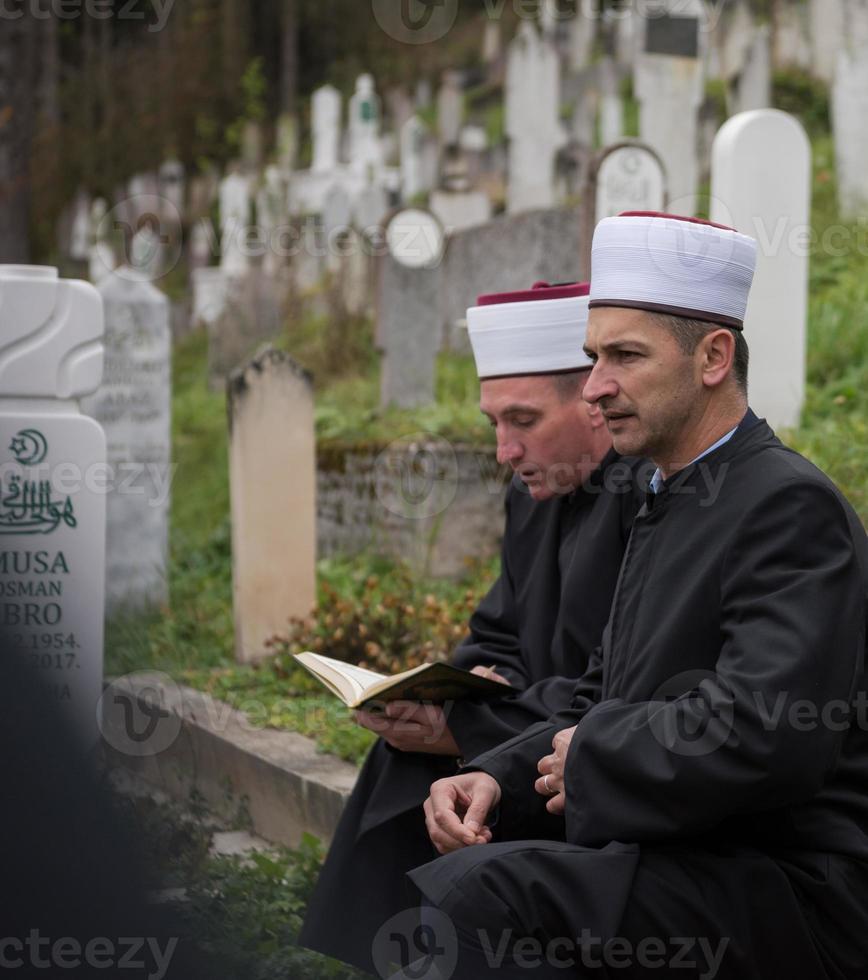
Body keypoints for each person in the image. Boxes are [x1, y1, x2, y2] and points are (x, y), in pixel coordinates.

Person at [413, 212, 868, 979]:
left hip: (785, 883)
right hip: (691, 848)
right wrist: (498, 774)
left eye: (625, 355)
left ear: (714, 357)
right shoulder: (665, 492)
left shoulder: (786, 504)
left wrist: (595, 756)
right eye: (593, 357)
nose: (596, 386)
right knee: (465, 845)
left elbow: (770, 735)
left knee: (489, 890)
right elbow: (603, 691)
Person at [299, 282, 649, 973]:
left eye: (523, 420)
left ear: (595, 403)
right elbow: (496, 632)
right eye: (494, 422)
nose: (504, 451)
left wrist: (473, 725)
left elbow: (619, 685)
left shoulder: (648, 502)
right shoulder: (533, 492)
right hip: (529, 719)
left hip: (581, 752)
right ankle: (384, 955)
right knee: (406, 753)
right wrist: (440, 693)